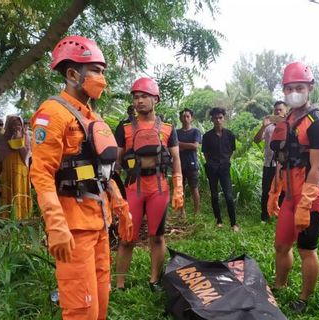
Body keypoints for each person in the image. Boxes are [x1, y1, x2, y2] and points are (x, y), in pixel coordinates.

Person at [29, 35, 133, 319]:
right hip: (73, 229)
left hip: (100, 224)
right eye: (96, 71)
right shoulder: (52, 114)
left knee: (100, 302)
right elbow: (41, 173)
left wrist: (121, 208)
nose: (103, 79)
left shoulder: (92, 117)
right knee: (81, 308)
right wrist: (56, 225)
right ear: (73, 74)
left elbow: (104, 172)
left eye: (103, 71)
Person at [267, 62, 319, 313]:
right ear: (284, 90)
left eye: (300, 87)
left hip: (313, 196)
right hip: (290, 195)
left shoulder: (317, 123)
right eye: (290, 88)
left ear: (310, 88)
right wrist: (275, 192)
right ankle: (280, 286)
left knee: (306, 249)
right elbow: (281, 162)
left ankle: (304, 298)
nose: (295, 92)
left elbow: (317, 168)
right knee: (281, 245)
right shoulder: (286, 121)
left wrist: (305, 205)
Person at [114, 77, 184, 291]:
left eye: (144, 96)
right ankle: (119, 284)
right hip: (133, 187)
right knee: (127, 238)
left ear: (156, 99)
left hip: (159, 188)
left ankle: (154, 280)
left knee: (157, 236)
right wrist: (113, 191)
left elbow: (176, 159)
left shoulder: (168, 128)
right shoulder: (124, 127)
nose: (139, 101)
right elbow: (116, 162)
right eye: (136, 97)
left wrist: (178, 187)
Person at [202, 107, 239, 231]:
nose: (218, 120)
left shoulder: (229, 135)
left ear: (224, 118)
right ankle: (219, 221)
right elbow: (205, 153)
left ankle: (234, 223)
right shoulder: (207, 136)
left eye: (220, 118)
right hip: (212, 168)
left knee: (228, 196)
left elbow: (232, 151)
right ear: (212, 119)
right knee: (214, 195)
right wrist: (211, 164)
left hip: (224, 168)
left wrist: (226, 161)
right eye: (215, 118)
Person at [253, 101, 287, 222]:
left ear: (285, 111)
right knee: (266, 190)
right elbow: (256, 140)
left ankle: (281, 216)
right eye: (276, 110)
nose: (278, 112)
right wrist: (263, 126)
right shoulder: (268, 126)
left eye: (280, 110)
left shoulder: (289, 126)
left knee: (283, 191)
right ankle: (265, 216)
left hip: (284, 165)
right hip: (269, 164)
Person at [0, 115, 32, 219]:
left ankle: (20, 216)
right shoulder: (4, 138)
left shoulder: (25, 136)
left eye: (19, 124)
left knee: (19, 189)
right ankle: (7, 216)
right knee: (8, 189)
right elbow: (1, 156)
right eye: (14, 125)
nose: (17, 127)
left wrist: (18, 141)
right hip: (7, 168)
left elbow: (25, 155)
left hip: (20, 168)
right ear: (9, 125)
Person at [176, 108, 202, 216]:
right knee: (180, 188)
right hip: (179, 164)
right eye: (183, 116)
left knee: (194, 188)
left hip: (192, 164)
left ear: (191, 118)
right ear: (180, 118)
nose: (185, 118)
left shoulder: (196, 131)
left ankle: (197, 212)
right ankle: (182, 212)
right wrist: (189, 146)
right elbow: (174, 147)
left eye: (188, 116)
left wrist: (180, 144)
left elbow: (195, 146)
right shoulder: (176, 132)